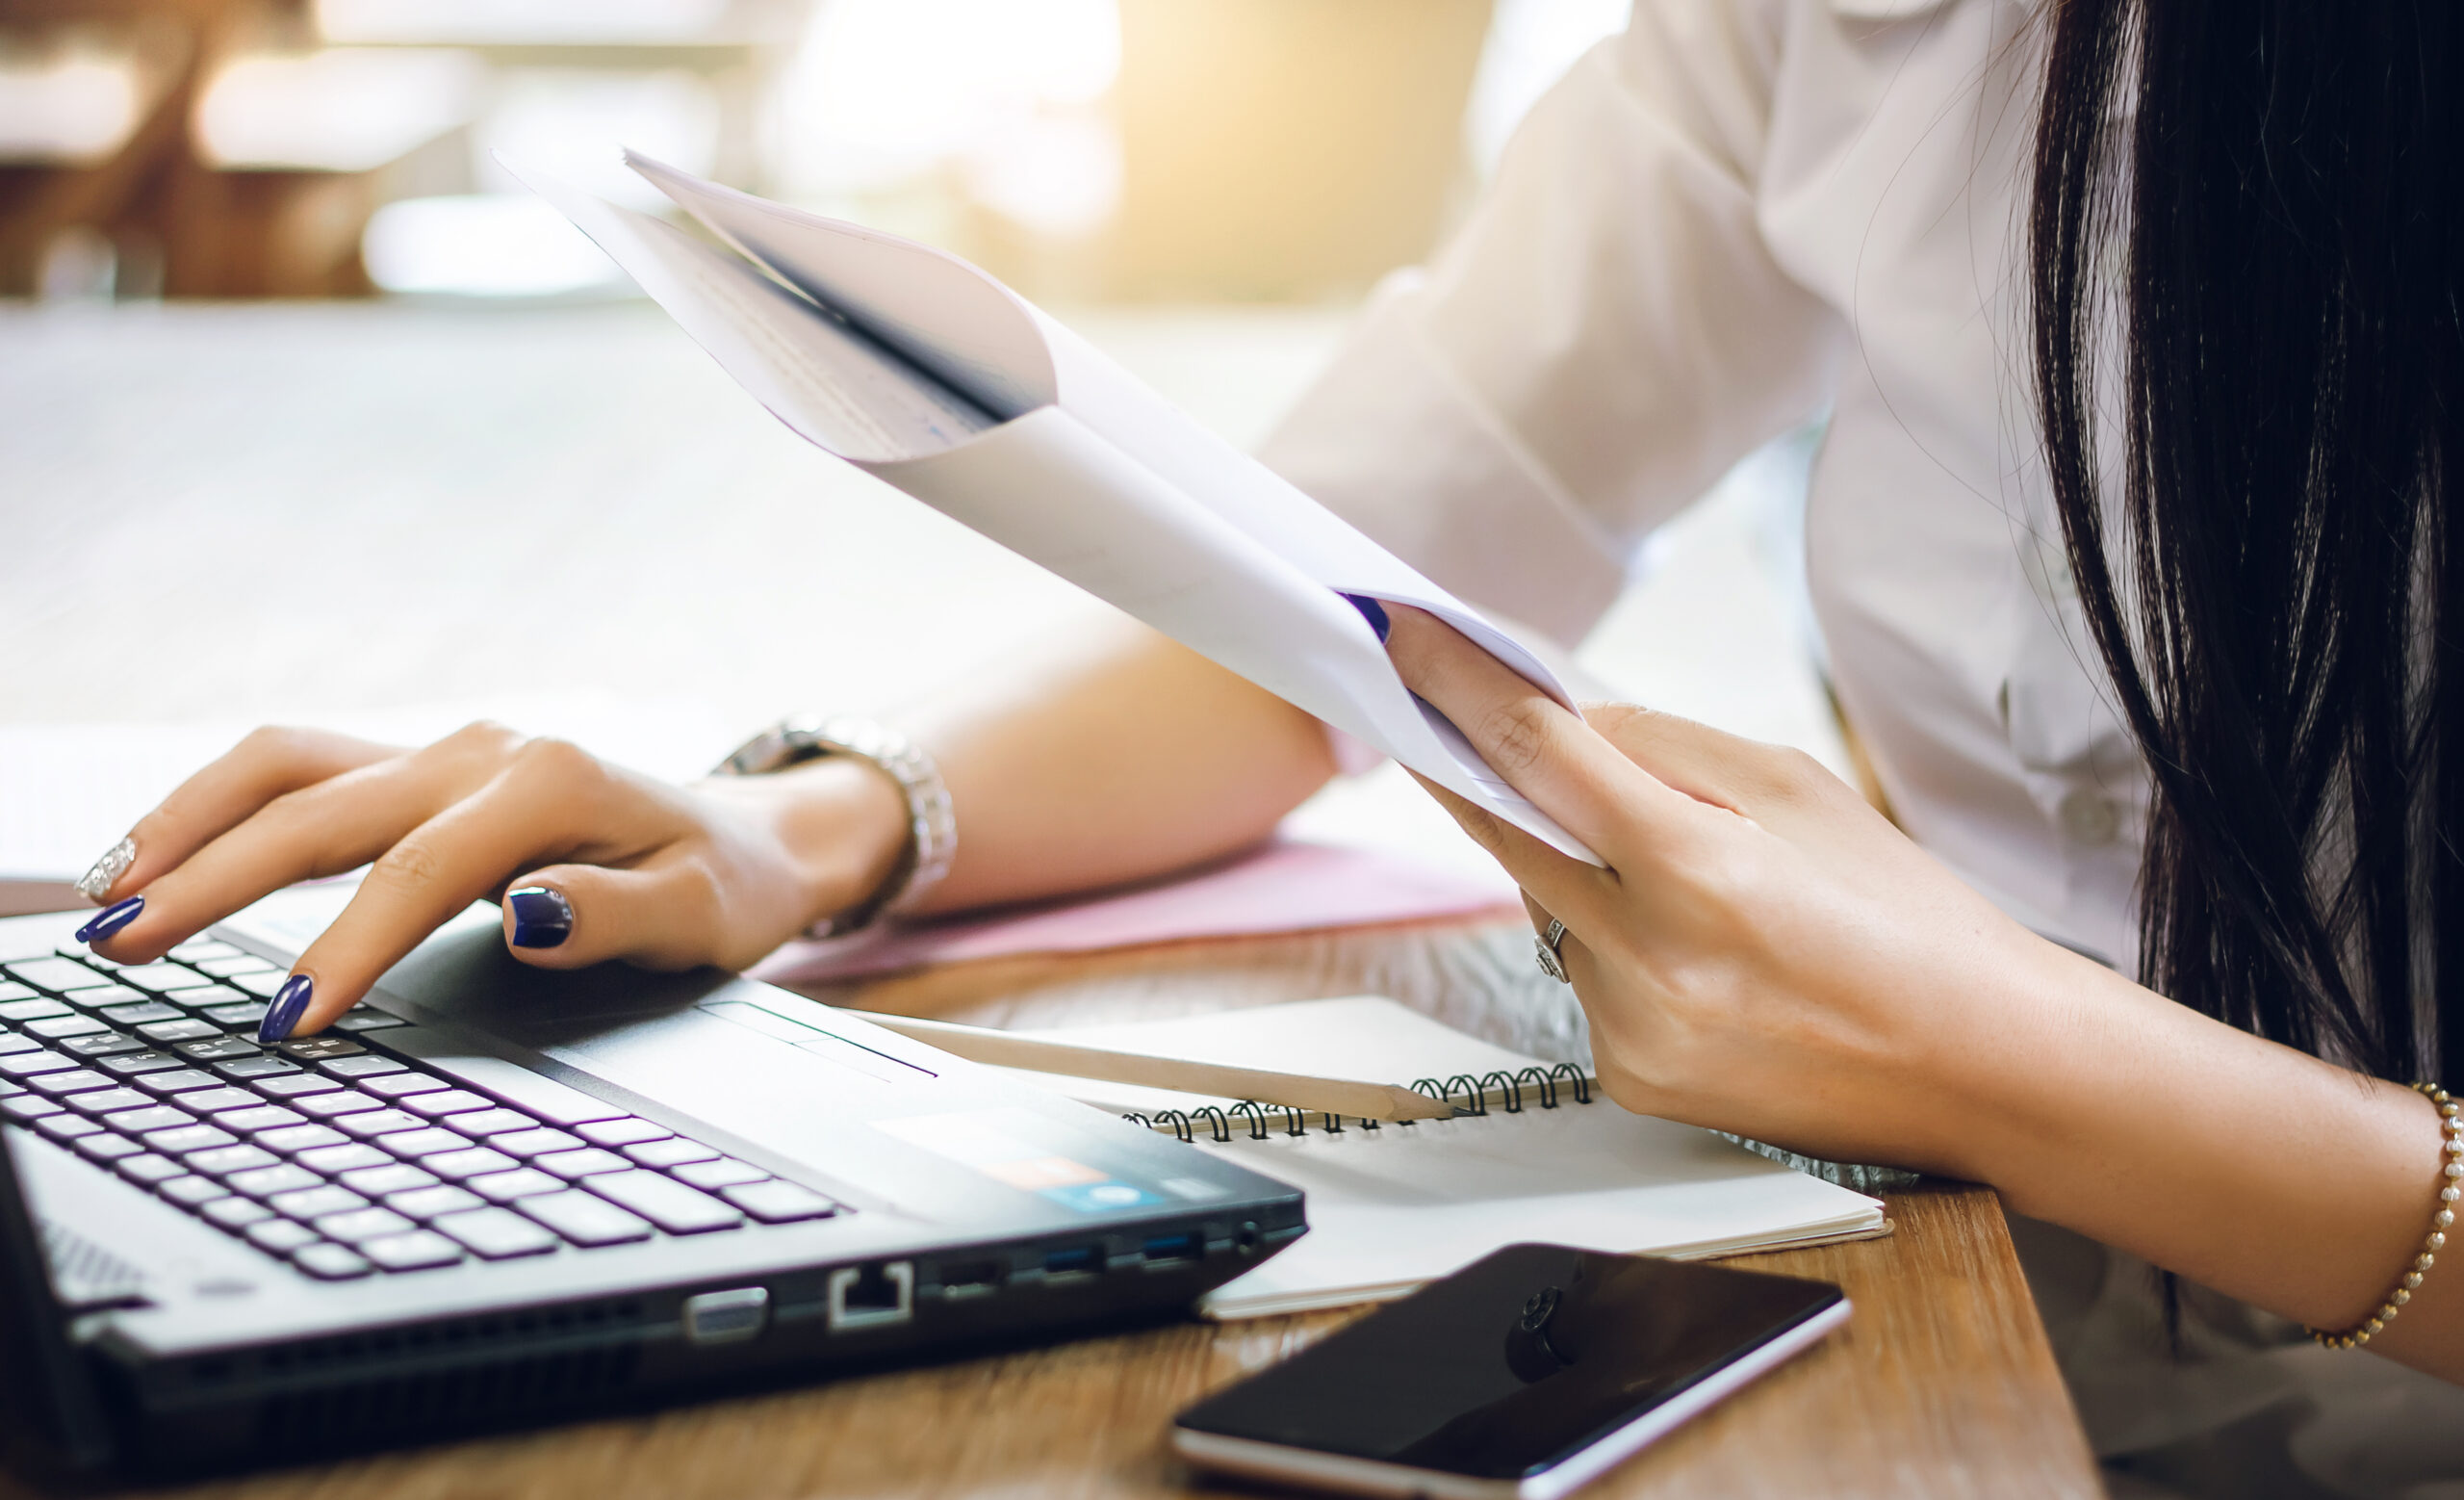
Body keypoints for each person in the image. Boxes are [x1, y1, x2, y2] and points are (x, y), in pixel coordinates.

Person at [64, 0, 2464, 1490]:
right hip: (1985, 1305)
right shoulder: (1809, 35)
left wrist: (2001, 1056)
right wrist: (807, 816)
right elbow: (1352, 592)